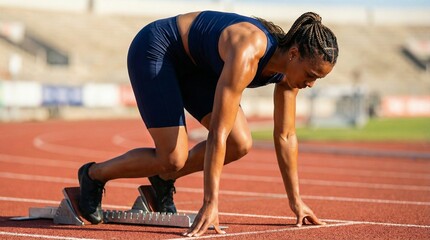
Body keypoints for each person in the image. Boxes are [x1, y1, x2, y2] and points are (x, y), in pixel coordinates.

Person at [77, 10, 338, 237]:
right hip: (158, 49)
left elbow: (286, 136)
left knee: (241, 144)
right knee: (173, 156)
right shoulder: (249, 51)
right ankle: (93, 175)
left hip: (197, 69)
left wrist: (296, 201)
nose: (311, 84)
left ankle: (163, 180)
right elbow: (218, 133)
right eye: (311, 75)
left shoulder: (289, 76)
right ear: (294, 54)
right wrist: (211, 202)